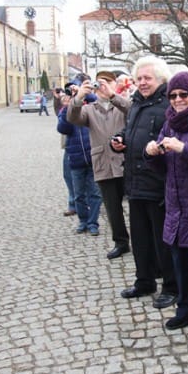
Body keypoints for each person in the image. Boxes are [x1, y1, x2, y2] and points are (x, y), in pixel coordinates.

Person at [143, 71, 188, 335]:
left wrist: (183, 149)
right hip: (176, 204)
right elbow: (163, 168)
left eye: (183, 94)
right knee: (180, 263)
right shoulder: (169, 123)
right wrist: (151, 153)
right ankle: (186, 310)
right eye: (172, 95)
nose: (177, 100)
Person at [111, 56, 178, 310]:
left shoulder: (168, 106)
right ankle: (144, 281)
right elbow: (130, 133)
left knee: (164, 241)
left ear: (160, 79)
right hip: (135, 183)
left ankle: (171, 286)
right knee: (139, 239)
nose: (142, 82)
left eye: (147, 78)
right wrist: (118, 140)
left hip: (158, 185)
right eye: (139, 78)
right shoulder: (137, 104)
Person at [68, 71, 131, 260]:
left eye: (108, 82)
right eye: (99, 83)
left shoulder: (122, 103)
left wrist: (112, 95)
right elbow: (72, 118)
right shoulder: (89, 109)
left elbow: (132, 110)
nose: (103, 87)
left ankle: (141, 240)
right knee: (113, 209)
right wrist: (79, 96)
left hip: (125, 163)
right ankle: (121, 242)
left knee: (136, 208)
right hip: (103, 163)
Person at [57, 86, 103, 236]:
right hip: (76, 159)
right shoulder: (67, 113)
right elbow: (62, 128)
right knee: (78, 194)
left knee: (94, 193)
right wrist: (68, 107)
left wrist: (83, 93)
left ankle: (93, 222)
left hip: (92, 157)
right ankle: (83, 221)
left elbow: (97, 102)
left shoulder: (90, 110)